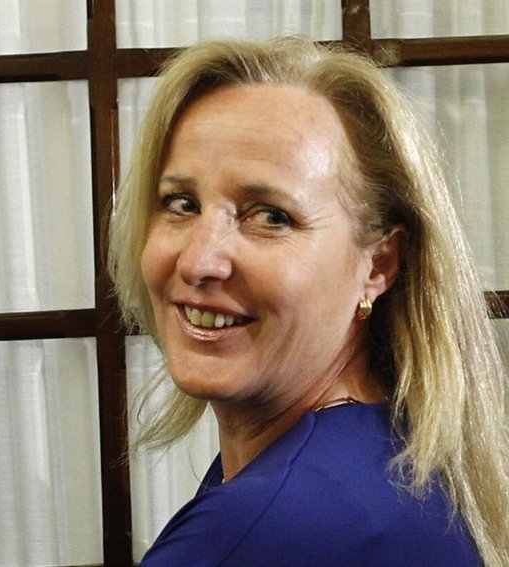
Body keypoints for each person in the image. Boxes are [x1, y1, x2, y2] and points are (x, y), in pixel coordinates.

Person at [107, 36, 509, 565]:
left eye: (271, 216)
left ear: (379, 265)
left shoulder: (270, 524)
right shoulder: (395, 460)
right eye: (181, 203)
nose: (199, 261)